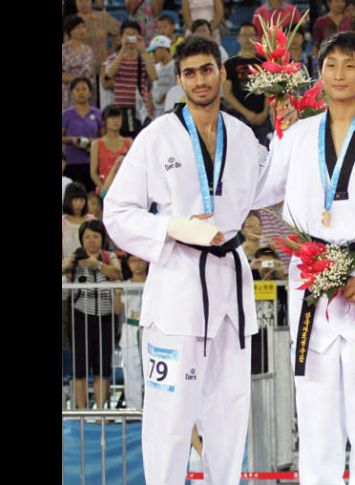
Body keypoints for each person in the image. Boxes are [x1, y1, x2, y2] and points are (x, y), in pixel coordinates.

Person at [103, 36, 290, 485]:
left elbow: (271, 188)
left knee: (229, 412)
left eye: (207, 69)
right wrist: (170, 227)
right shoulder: (157, 137)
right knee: (169, 419)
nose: (200, 79)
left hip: (229, 286)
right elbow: (116, 211)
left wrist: (290, 128)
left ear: (221, 73)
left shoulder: (242, 136)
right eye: (190, 73)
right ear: (180, 80)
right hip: (178, 287)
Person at [258, 31, 355, 484]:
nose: (340, 74)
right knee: (316, 409)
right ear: (318, 75)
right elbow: (264, 188)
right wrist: (275, 132)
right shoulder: (299, 133)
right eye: (330, 65)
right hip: (309, 275)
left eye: (350, 65)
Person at [61, 220, 123, 409]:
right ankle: (80, 410)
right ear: (81, 239)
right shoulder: (76, 256)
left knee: (102, 368)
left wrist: (96, 264)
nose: (91, 240)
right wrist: (70, 262)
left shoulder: (108, 256)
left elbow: (117, 273)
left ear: (102, 238)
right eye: (87, 236)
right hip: (80, 316)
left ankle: (100, 413)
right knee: (79, 367)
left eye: (95, 236)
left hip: (105, 318)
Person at [223, 22, 272, 146]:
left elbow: (271, 89)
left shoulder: (265, 61)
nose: (247, 38)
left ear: (257, 38)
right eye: (244, 35)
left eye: (251, 35)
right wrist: (247, 113)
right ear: (238, 38)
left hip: (263, 118)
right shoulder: (230, 64)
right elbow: (227, 94)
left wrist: (265, 113)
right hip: (239, 117)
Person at [113, 254, 149, 409]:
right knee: (131, 372)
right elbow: (117, 310)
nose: (137, 264)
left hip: (149, 330)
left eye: (140, 259)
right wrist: (117, 293)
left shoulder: (154, 283)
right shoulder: (125, 285)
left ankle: (152, 412)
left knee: (150, 372)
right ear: (128, 264)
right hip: (130, 331)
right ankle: (134, 411)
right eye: (133, 260)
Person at [62, 77, 104, 192]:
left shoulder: (98, 114)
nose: (81, 92)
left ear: (90, 92)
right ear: (72, 93)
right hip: (72, 163)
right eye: (77, 89)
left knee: (92, 196)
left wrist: (93, 142)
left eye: (84, 89)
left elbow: (104, 138)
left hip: (93, 164)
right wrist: (72, 140)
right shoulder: (66, 114)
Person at [90, 105, 132, 196]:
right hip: (104, 190)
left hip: (125, 190)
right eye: (112, 117)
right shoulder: (96, 144)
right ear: (104, 121)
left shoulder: (129, 143)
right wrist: (104, 190)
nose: (115, 120)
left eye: (118, 117)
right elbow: (93, 173)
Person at [62, 15, 95, 110]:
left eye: (83, 27)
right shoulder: (63, 50)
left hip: (85, 92)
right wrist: (76, 80)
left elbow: (91, 73)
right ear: (70, 31)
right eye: (77, 28)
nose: (81, 30)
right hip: (67, 92)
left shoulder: (89, 50)